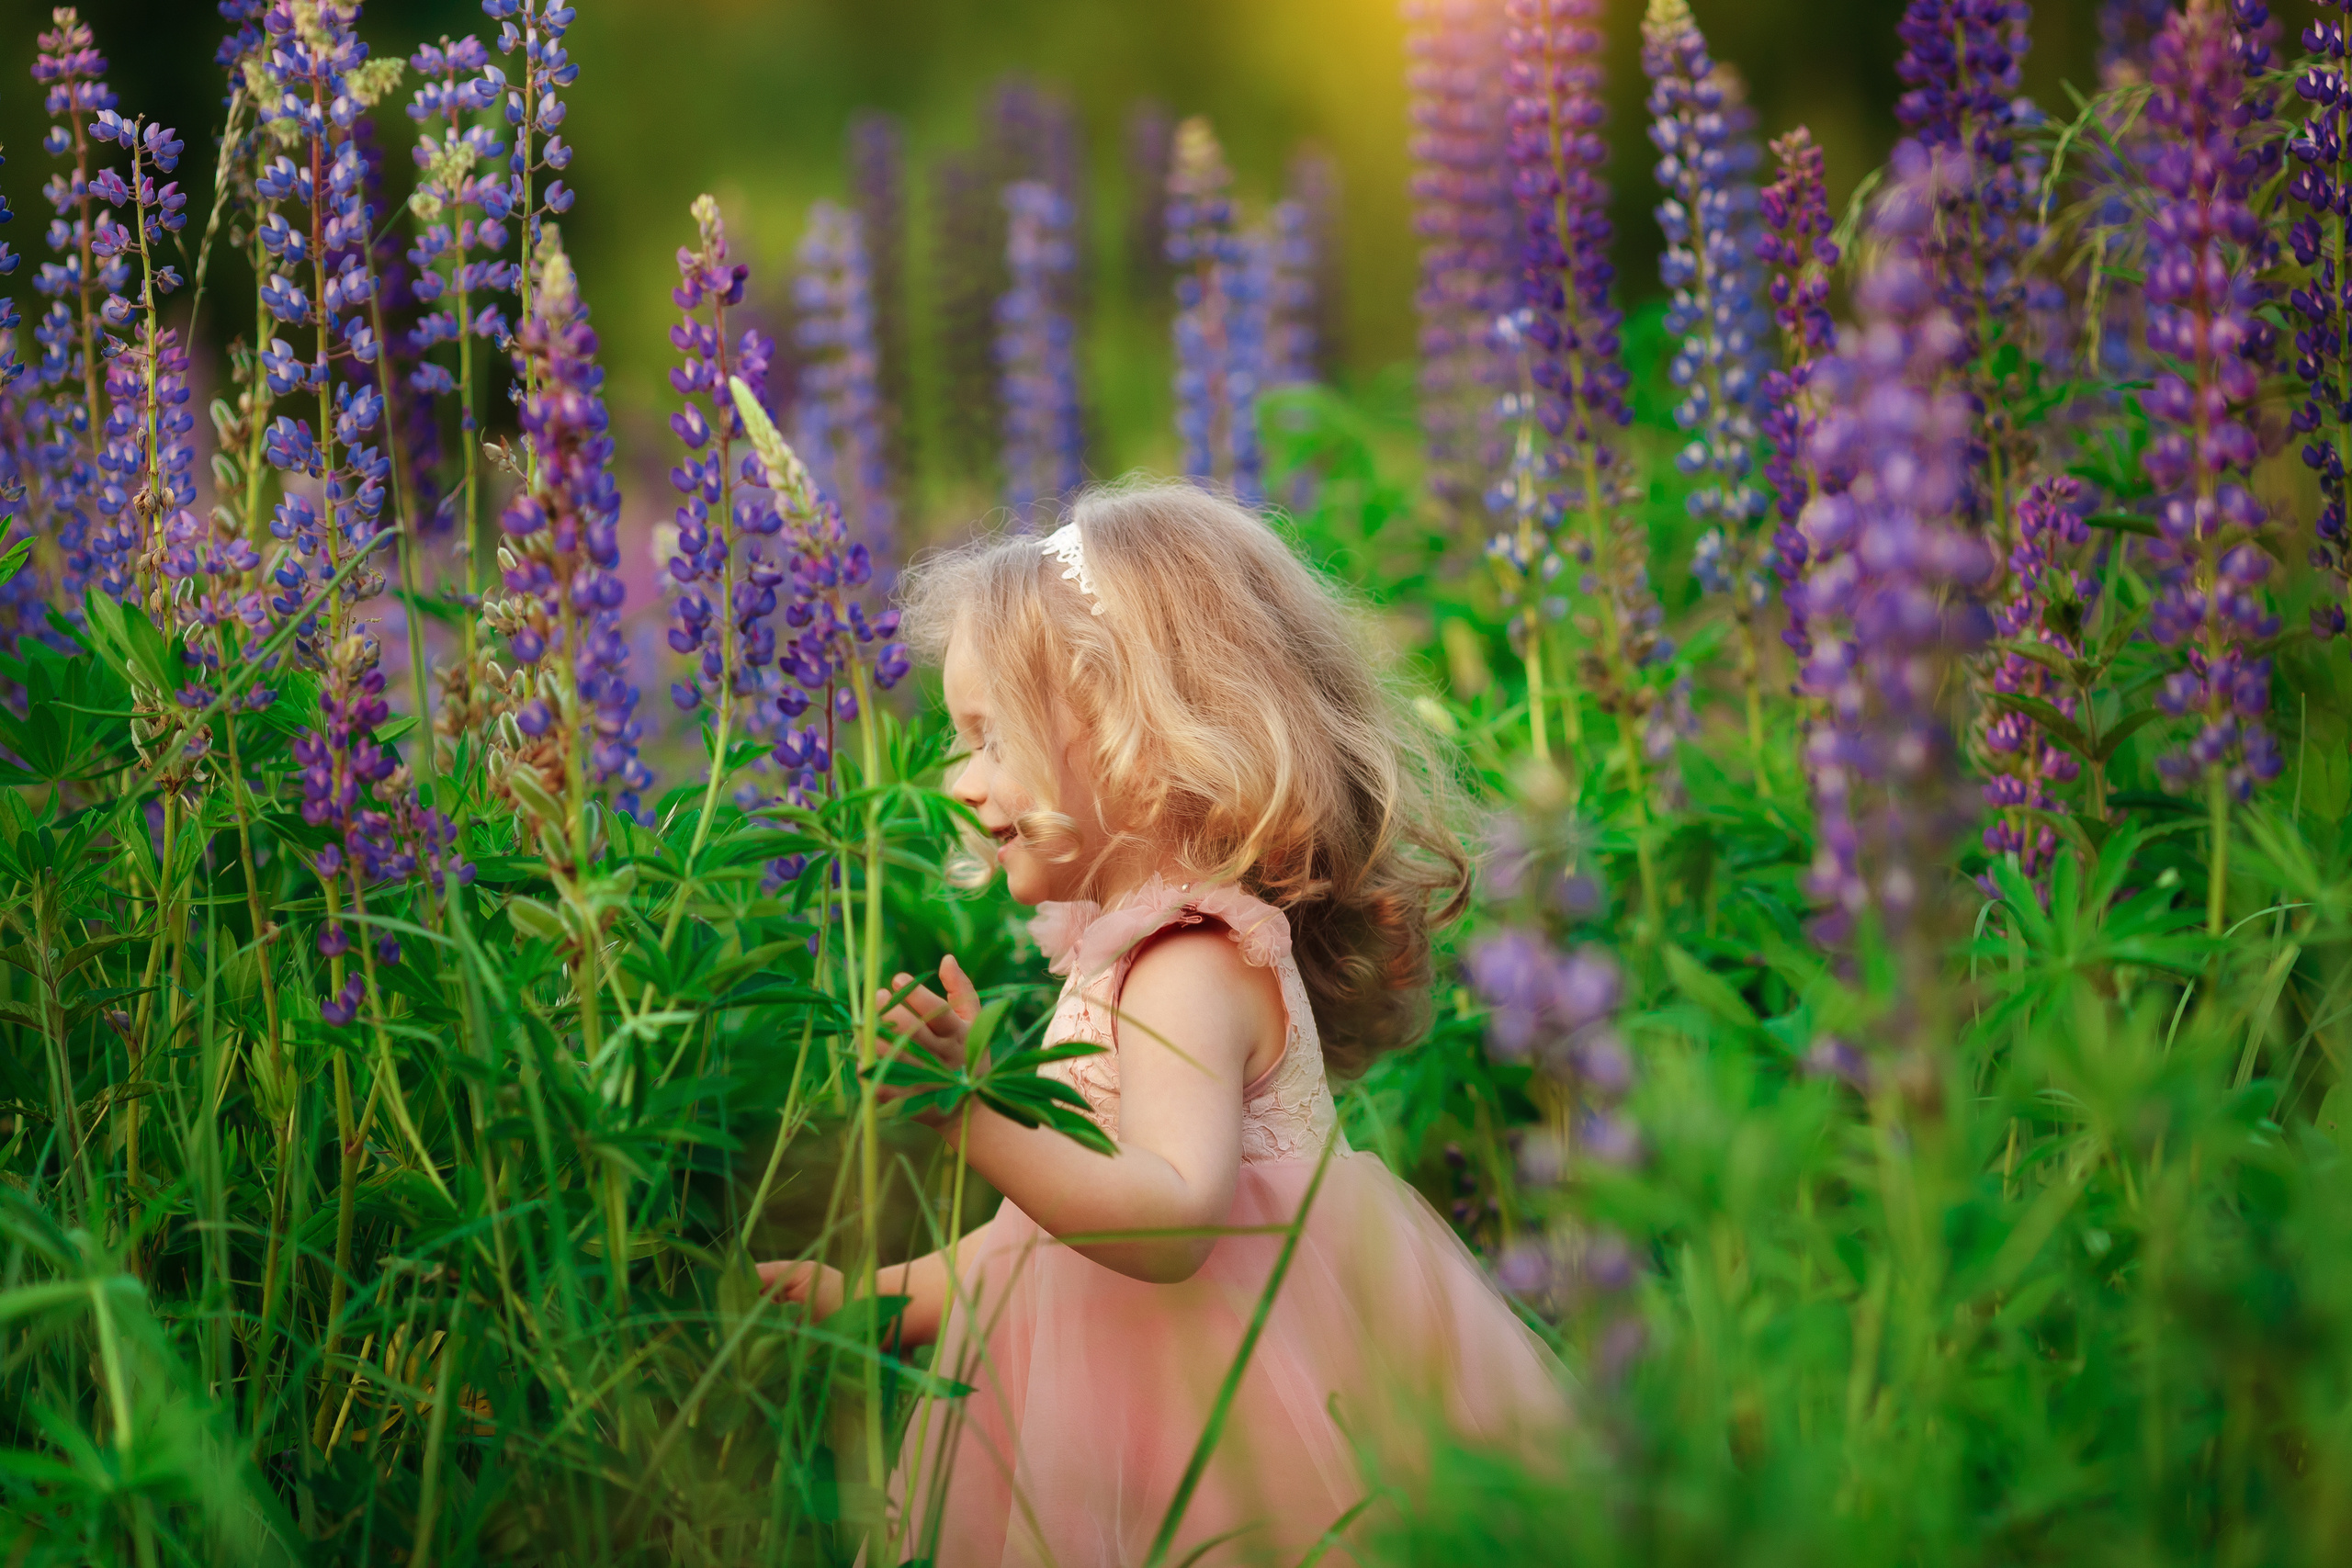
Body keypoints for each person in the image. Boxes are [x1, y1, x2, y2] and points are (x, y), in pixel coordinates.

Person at [760, 480, 1567, 1567]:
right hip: (1121, 1430)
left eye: (988, 738)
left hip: (1237, 1431)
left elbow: (1173, 1221)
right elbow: (1034, 1245)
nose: (961, 782)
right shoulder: (1122, 959)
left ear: (1129, 725)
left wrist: (972, 1119)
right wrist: (873, 1300)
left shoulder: (1188, 962)